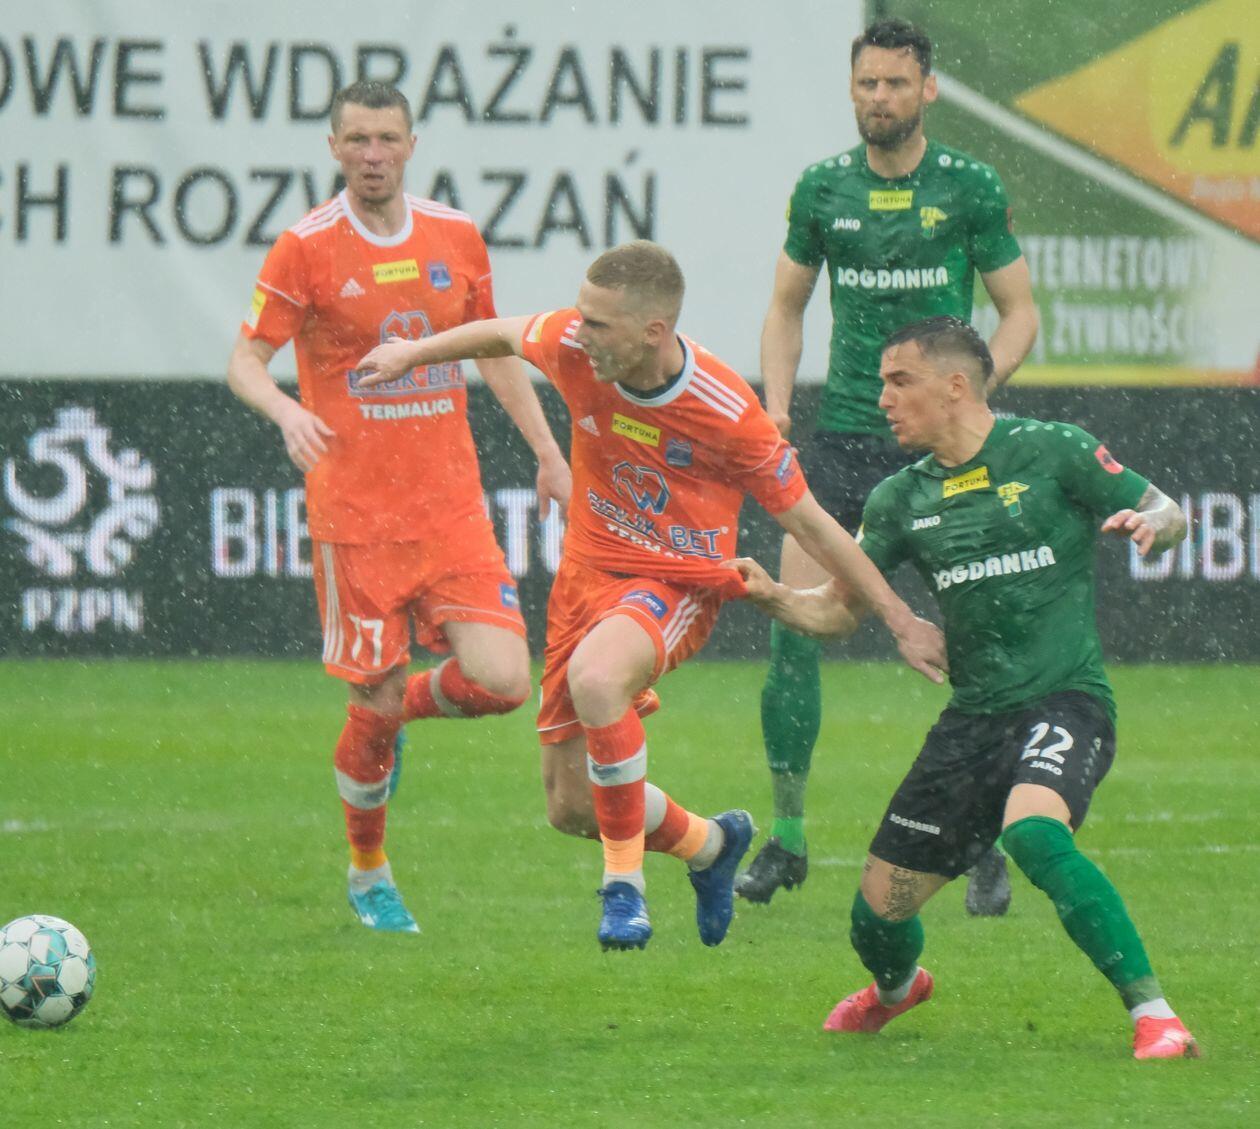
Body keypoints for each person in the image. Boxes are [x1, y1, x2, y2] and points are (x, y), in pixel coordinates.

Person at [355, 240, 947, 951]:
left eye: (599, 323)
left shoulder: (726, 411)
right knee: (571, 805)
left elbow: (814, 525)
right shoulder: (575, 346)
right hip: (585, 578)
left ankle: (623, 889)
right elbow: (503, 332)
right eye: (581, 314)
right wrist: (410, 354)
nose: (580, 331)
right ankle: (710, 844)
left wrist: (900, 619)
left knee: (598, 677)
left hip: (677, 581)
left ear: (653, 332)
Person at [730, 316, 1198, 1060]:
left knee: (1034, 833)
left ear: (955, 386)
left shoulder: (1053, 448)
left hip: (1066, 701)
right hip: (972, 722)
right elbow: (838, 611)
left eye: (899, 381)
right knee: (875, 918)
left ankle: (1157, 1015)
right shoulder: (898, 499)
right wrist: (773, 597)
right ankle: (897, 989)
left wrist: (1156, 526)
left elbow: (1168, 510)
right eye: (881, 382)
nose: (882, 399)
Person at [226, 81, 571, 934]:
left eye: (387, 138)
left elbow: (495, 348)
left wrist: (548, 450)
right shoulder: (306, 247)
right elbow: (244, 360)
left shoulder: (454, 235)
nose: (373, 155)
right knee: (370, 707)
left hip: (450, 509)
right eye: (357, 140)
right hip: (356, 520)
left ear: (413, 145)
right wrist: (286, 411)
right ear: (333, 147)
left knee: (504, 681)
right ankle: (369, 869)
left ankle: (398, 708)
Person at [741, 16, 1039, 914]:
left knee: (982, 646)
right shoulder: (822, 187)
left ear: (928, 90)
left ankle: (988, 836)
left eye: (896, 83)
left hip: (942, 448)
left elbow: (1020, 310)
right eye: (867, 83)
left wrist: (972, 393)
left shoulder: (969, 186)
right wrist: (775, 404)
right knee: (792, 626)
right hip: (841, 440)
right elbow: (785, 305)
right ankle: (788, 835)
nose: (880, 97)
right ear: (852, 90)